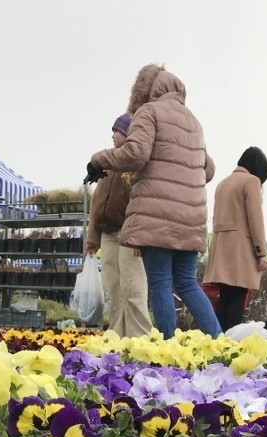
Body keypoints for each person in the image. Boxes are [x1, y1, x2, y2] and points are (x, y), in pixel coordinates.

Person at [88, 64, 220, 338]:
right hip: (192, 217)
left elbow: (136, 154)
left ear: (144, 90)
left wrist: (98, 159)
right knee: (187, 283)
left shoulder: (148, 112)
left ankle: (166, 350)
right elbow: (207, 169)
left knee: (160, 282)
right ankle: (221, 342)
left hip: (158, 213)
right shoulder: (193, 121)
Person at [85, 113, 153, 338]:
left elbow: (145, 201)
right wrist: (92, 239)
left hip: (129, 233)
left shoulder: (138, 165)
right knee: (113, 289)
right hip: (108, 233)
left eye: (117, 131)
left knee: (132, 288)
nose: (113, 136)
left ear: (128, 134)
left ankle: (139, 339)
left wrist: (141, 236)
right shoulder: (108, 164)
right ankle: (116, 338)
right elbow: (96, 203)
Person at [202, 147, 267, 331]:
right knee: (238, 297)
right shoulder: (251, 181)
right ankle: (233, 343)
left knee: (224, 298)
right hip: (241, 249)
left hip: (221, 247)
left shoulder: (223, 183)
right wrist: (261, 252)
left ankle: (219, 339)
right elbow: (255, 219)